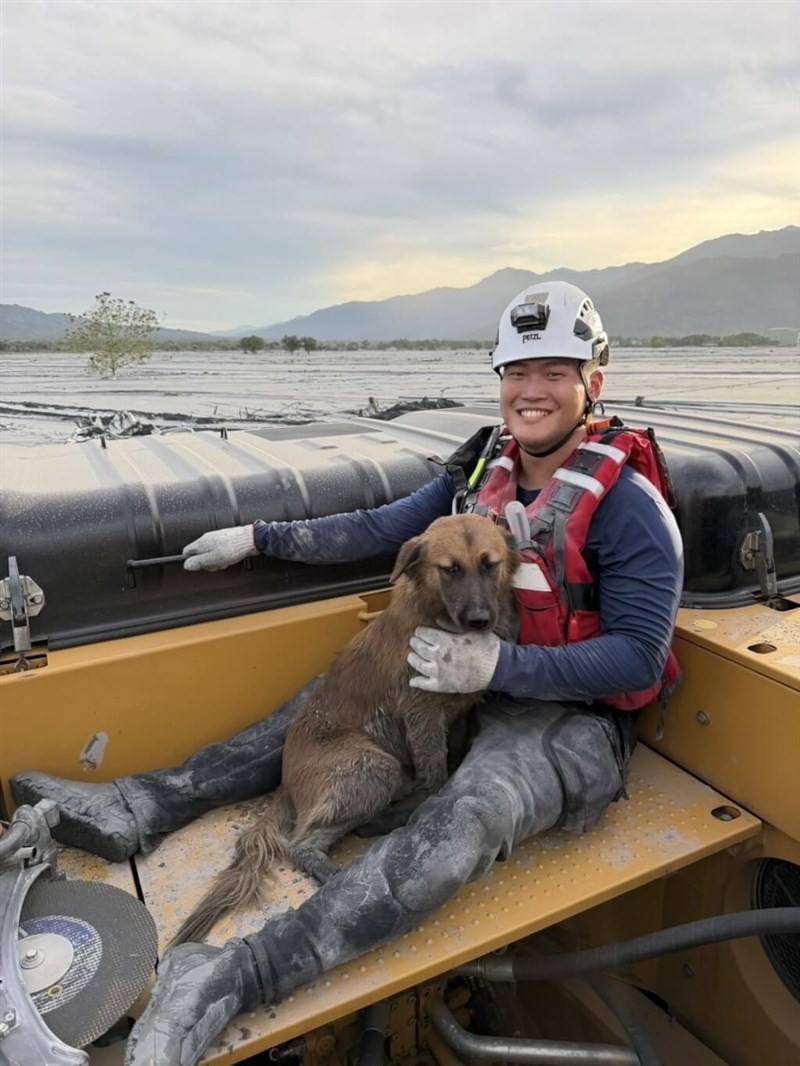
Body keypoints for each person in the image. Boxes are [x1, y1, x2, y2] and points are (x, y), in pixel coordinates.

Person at [12, 281, 684, 1066]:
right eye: (518, 372)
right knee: (328, 703)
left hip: (565, 715)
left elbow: (638, 656)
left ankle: (227, 976)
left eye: (556, 373)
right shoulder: (483, 469)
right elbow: (379, 527)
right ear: (501, 380)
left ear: (592, 382)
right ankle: (138, 805)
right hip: (471, 673)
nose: (533, 390)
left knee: (466, 817)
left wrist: (502, 662)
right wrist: (260, 537)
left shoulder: (630, 506)